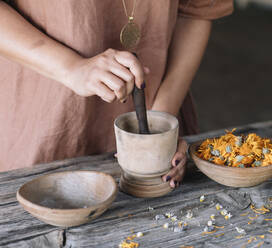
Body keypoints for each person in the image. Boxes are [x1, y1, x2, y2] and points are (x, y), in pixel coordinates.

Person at [0, 0, 233, 187]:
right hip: (43, 121)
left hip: (160, 102)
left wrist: (160, 125)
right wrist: (71, 67)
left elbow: (196, 11)